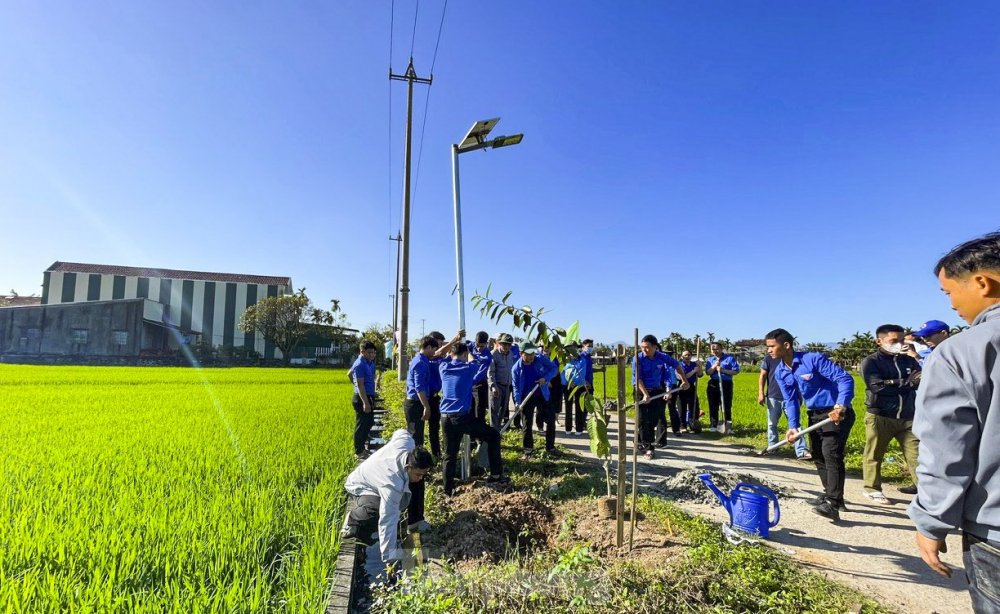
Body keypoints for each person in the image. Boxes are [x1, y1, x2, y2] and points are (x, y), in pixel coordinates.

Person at [907, 232, 1000, 611]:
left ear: (982, 282)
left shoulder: (962, 351)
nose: (952, 304)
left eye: (948, 292)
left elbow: (947, 449)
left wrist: (931, 521)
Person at [767, 328, 855, 522]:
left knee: (831, 454)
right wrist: (793, 426)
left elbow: (844, 378)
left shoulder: (813, 359)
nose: (769, 351)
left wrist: (841, 405)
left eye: (772, 346)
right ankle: (832, 496)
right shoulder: (781, 371)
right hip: (815, 415)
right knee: (818, 454)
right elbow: (790, 400)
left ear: (786, 345)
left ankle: (833, 503)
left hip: (836, 413)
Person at [342, 429, 434, 565]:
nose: (421, 477)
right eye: (418, 473)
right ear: (408, 467)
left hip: (377, 477)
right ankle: (352, 519)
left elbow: (401, 432)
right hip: (361, 486)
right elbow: (388, 520)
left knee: (417, 483)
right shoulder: (392, 483)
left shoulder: (407, 444)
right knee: (377, 509)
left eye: (423, 473)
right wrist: (389, 556)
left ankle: (415, 522)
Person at [859, 324, 922, 505]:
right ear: (879, 341)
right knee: (874, 453)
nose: (899, 344)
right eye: (894, 341)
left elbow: (920, 378)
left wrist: (896, 383)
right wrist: (905, 383)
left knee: (917, 456)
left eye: (902, 340)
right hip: (881, 416)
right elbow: (877, 387)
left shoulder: (908, 360)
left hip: (908, 415)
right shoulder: (872, 361)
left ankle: (925, 492)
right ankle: (872, 488)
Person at [439, 342, 509, 495]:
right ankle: (496, 474)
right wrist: (470, 352)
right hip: (462, 419)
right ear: (464, 355)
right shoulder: (468, 368)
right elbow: (485, 360)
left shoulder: (443, 367)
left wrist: (455, 341)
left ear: (451, 355)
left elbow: (439, 354)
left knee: (449, 454)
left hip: (445, 418)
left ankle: (447, 489)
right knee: (493, 435)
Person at [402, 335, 440, 533]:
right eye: (434, 348)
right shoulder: (419, 363)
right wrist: (426, 407)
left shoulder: (425, 360)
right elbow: (418, 388)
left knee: (417, 440)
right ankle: (415, 473)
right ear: (427, 347)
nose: (435, 352)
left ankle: (418, 473)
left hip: (418, 404)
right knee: (415, 442)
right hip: (416, 405)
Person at [632, 334, 690, 459]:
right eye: (642, 347)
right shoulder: (638, 358)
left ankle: (639, 441)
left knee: (653, 420)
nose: (644, 350)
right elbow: (638, 379)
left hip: (657, 391)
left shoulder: (662, 357)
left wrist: (684, 380)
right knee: (642, 421)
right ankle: (649, 449)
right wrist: (645, 395)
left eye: (647, 347)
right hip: (640, 391)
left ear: (654, 347)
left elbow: (677, 366)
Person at [759, 351, 810, 460]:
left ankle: (801, 451)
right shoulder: (768, 359)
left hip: (792, 396)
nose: (770, 350)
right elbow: (762, 376)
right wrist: (761, 393)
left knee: (796, 424)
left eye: (773, 346)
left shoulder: (793, 360)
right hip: (773, 396)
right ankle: (773, 446)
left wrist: (799, 396)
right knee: (772, 424)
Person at [511, 341, 559, 456]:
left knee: (551, 420)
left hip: (542, 394)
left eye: (532, 353)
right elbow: (516, 387)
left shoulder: (539, 359)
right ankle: (528, 450)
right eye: (528, 354)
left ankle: (550, 447)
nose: (531, 356)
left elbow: (554, 369)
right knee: (527, 423)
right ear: (521, 353)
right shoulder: (516, 369)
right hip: (526, 397)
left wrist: (545, 378)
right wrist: (518, 403)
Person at [425, 330, 465, 459]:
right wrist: (455, 339)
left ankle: (441, 452)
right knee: (431, 428)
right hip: (426, 397)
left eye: (442, 343)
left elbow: (452, 357)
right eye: (438, 343)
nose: (440, 345)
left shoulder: (442, 359)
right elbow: (438, 352)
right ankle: (434, 454)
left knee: (437, 426)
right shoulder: (427, 355)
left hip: (437, 396)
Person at [348, 341, 378, 459]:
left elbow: (349, 373)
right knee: (362, 425)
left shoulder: (369, 362)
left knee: (369, 422)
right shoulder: (360, 363)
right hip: (362, 398)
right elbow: (360, 385)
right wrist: (365, 402)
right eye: (369, 352)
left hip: (367, 396)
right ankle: (359, 451)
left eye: (374, 352)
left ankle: (361, 447)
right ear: (362, 351)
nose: (372, 354)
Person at [705, 342, 740, 434]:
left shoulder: (730, 358)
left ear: (721, 349)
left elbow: (736, 371)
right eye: (713, 349)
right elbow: (708, 373)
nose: (715, 351)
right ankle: (713, 425)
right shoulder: (710, 359)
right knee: (713, 405)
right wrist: (714, 366)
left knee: (726, 405)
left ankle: (728, 426)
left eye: (716, 349)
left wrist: (723, 370)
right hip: (714, 383)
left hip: (726, 383)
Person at [488, 332, 517, 430]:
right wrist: (493, 387)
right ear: (500, 343)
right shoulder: (493, 354)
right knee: (494, 411)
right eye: (504, 344)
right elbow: (490, 372)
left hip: (507, 386)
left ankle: (497, 431)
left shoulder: (510, 354)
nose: (506, 346)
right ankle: (493, 433)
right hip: (497, 386)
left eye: (508, 344)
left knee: (503, 410)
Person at [562, 342, 588, 434]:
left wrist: (575, 382)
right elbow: (562, 373)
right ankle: (568, 428)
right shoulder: (565, 360)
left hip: (579, 386)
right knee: (568, 408)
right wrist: (568, 382)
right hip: (568, 386)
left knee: (579, 407)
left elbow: (581, 372)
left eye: (574, 348)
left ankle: (579, 428)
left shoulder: (582, 359)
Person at [677, 350, 703, 432]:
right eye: (685, 355)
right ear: (682, 357)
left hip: (691, 386)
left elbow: (700, 375)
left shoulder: (694, 364)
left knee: (694, 406)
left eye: (689, 355)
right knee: (682, 407)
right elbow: (684, 377)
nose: (687, 356)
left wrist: (700, 367)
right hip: (682, 386)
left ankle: (693, 424)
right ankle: (682, 426)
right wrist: (693, 371)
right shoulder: (679, 365)